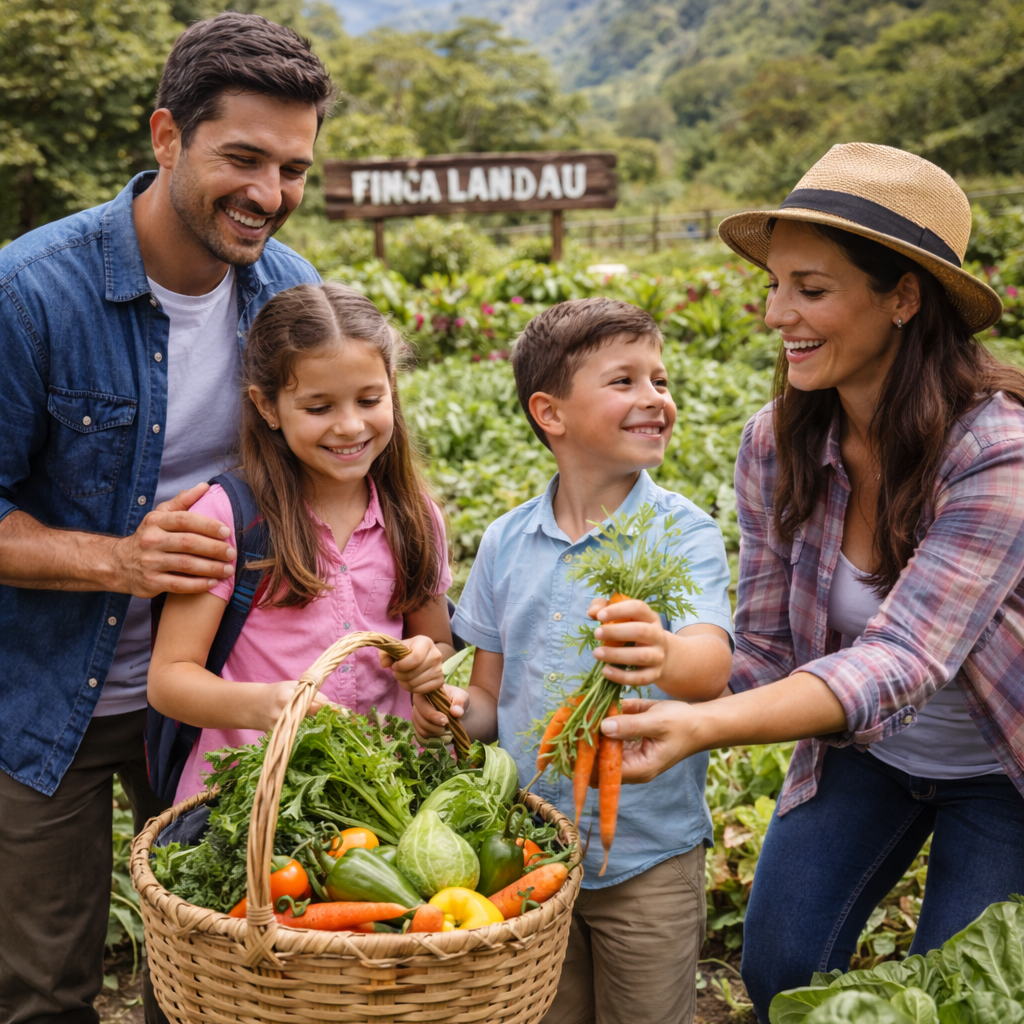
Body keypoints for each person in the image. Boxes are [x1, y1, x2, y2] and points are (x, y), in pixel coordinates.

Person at [599, 143, 1024, 1021]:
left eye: (811, 288)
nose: (775, 313)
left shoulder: (997, 453)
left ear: (903, 297)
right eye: (774, 284)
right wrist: (667, 665)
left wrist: (703, 727)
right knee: (782, 969)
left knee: (966, 993)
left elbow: (905, 659)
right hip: (868, 752)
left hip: (1003, 765)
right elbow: (766, 646)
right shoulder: (778, 440)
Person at [0, 13, 335, 1024]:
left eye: (292, 169)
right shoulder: (30, 294)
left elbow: (331, 487)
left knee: (220, 978)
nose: (269, 193)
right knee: (43, 989)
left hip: (214, 698)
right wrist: (121, 561)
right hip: (43, 698)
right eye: (244, 158)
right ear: (167, 137)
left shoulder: (289, 296)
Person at [444, 298, 735, 1024]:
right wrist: (450, 713)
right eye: (624, 381)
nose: (655, 398)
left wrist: (662, 650)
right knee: (545, 1010)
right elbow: (488, 700)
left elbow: (709, 669)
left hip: (649, 859)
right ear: (551, 413)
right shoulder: (505, 541)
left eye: (660, 380)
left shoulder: (683, 532)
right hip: (531, 851)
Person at [149, 283, 455, 802]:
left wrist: (427, 663)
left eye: (370, 400)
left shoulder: (415, 517)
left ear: (392, 387)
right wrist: (265, 705)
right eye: (318, 408)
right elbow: (170, 680)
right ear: (267, 407)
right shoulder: (227, 518)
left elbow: (437, 643)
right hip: (251, 799)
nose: (350, 425)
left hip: (382, 795)